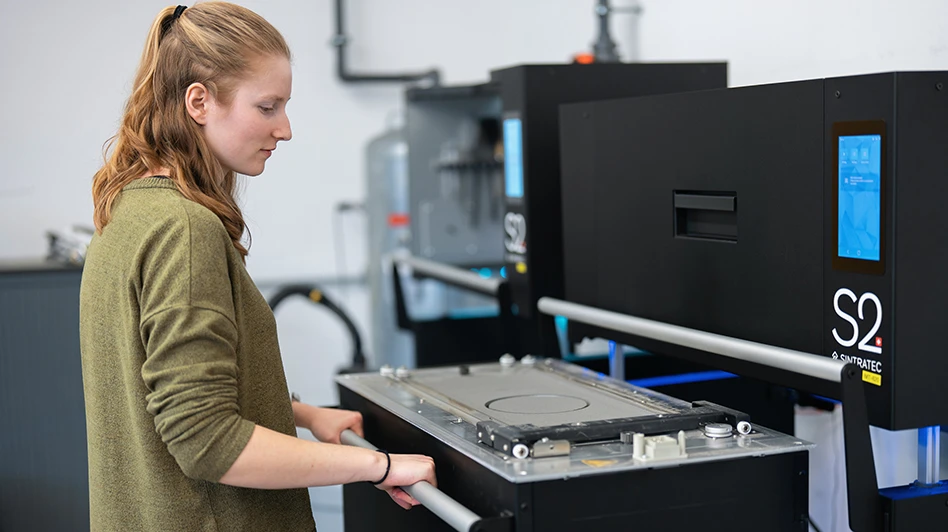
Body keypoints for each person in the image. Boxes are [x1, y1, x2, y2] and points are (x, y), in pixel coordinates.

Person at [79, 3, 436, 531]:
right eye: (268, 106)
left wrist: (305, 415)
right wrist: (375, 466)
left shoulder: (126, 210)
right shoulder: (185, 229)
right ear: (198, 101)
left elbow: (177, 383)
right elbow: (205, 438)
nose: (285, 129)